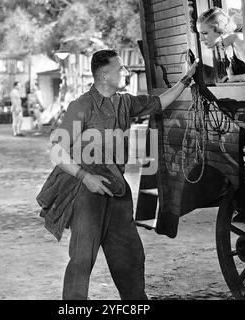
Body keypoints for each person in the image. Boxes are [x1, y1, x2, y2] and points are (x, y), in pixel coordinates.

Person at [37, 49, 198, 300]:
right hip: (86, 193)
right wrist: (84, 177)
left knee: (131, 257)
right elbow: (57, 152)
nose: (125, 72)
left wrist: (187, 79)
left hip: (117, 189)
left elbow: (159, 103)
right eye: (120, 68)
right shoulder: (82, 106)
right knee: (82, 258)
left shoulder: (125, 102)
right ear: (104, 74)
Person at [197, 7, 245, 82]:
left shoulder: (238, 41)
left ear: (220, 30)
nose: (201, 39)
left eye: (205, 33)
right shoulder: (228, 45)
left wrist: (235, 78)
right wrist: (229, 78)